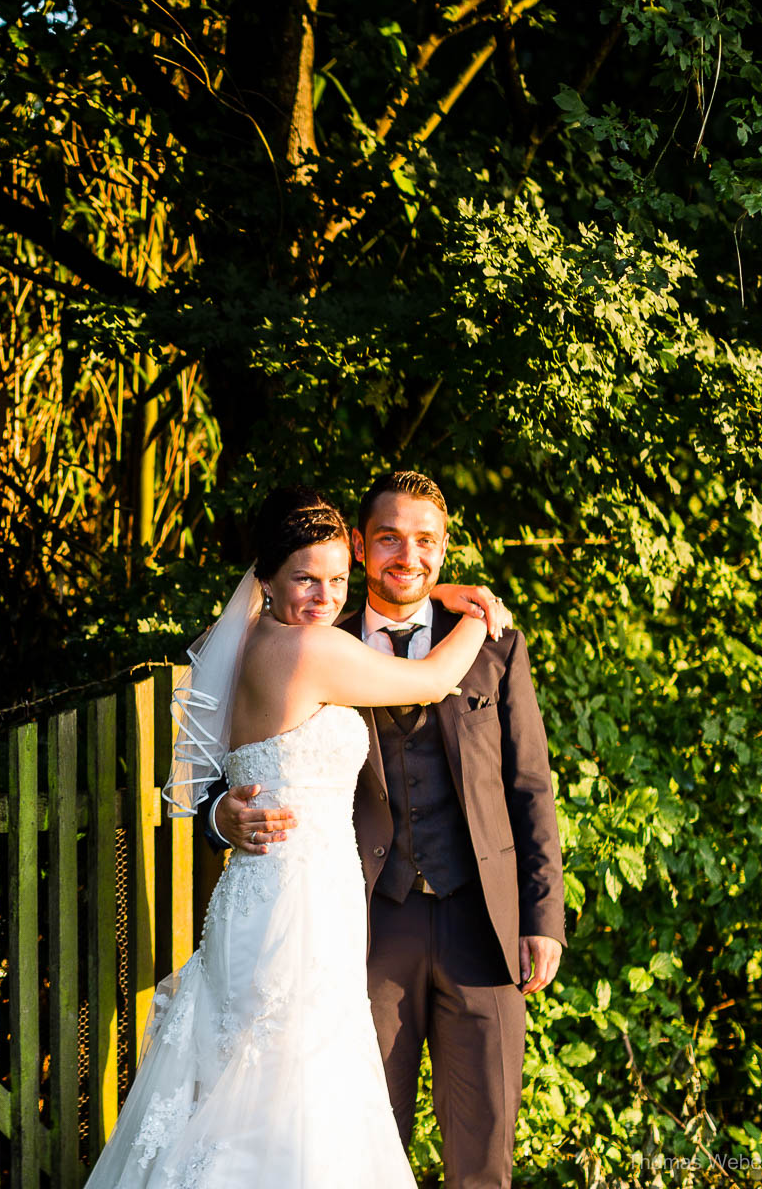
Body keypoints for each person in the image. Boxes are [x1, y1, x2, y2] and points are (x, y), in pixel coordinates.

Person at [82, 485, 510, 1189]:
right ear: (269, 580)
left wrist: (444, 592)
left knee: (248, 1085)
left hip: (271, 892)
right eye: (305, 579)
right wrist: (482, 610)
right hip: (297, 906)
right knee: (292, 1088)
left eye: (338, 580)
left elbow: (216, 776)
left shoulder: (256, 644)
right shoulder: (310, 649)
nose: (323, 596)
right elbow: (431, 680)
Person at [210, 471, 564, 1188]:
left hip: (481, 925)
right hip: (366, 928)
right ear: (360, 547)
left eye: (427, 541)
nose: (409, 555)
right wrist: (220, 815)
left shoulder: (497, 646)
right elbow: (230, 756)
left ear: (445, 548)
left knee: (484, 1156)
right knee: (360, 1145)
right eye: (390, 538)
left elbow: (530, 786)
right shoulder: (311, 634)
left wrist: (543, 917)